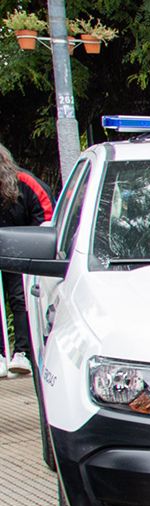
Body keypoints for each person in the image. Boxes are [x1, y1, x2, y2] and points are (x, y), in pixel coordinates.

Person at [0, 143, 54, 378]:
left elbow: (46, 214)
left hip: (21, 250)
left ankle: (23, 353)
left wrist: (31, 244)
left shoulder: (25, 182)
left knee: (19, 298)